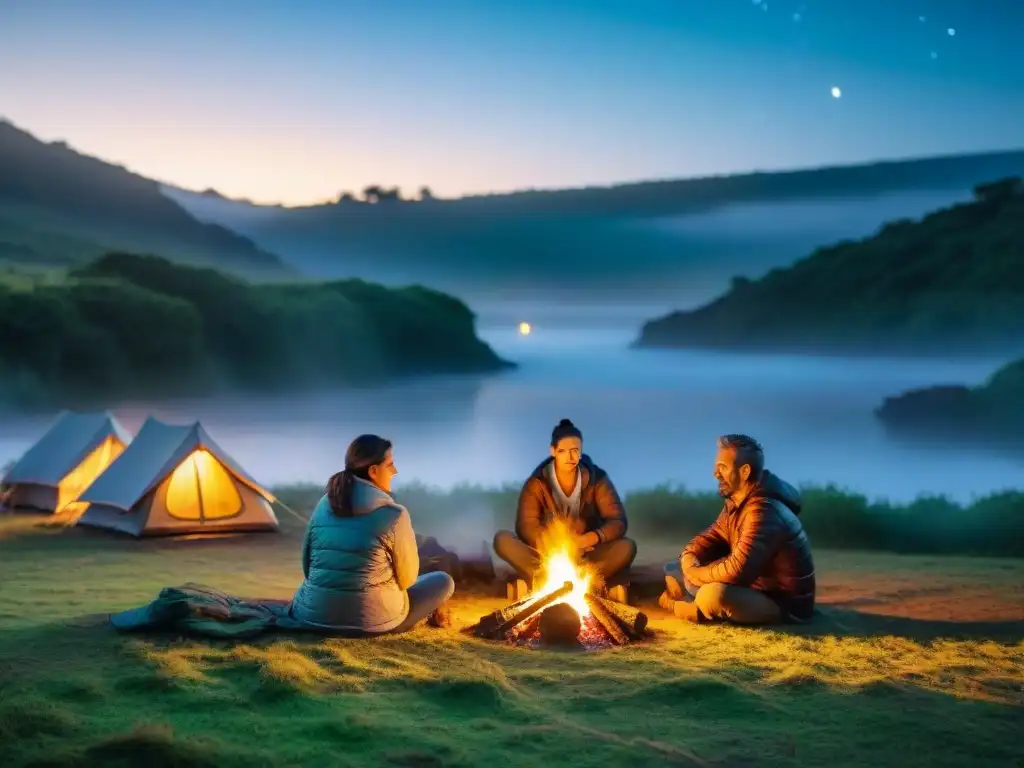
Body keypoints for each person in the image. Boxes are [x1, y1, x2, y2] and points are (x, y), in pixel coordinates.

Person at [290, 434, 455, 634]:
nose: (395, 471)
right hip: (370, 623)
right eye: (390, 465)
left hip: (312, 616)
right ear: (374, 471)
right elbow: (407, 581)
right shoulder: (395, 515)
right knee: (443, 581)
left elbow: (307, 568)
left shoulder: (324, 504)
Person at [661, 434, 815, 625]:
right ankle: (690, 595)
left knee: (713, 595)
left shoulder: (763, 511)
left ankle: (688, 605)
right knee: (677, 565)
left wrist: (695, 573)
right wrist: (690, 556)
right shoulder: (737, 501)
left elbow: (737, 570)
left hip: (781, 603)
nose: (715, 474)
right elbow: (712, 537)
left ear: (744, 472)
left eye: (722, 468)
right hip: (751, 587)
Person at [493, 418, 637, 588]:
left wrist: (590, 538)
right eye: (563, 451)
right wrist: (552, 542)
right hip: (548, 554)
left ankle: (586, 580)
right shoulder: (537, 482)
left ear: (581, 451)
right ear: (553, 451)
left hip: (586, 554)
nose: (570, 457)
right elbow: (526, 524)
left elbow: (617, 521)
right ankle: (545, 578)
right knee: (502, 540)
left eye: (575, 451)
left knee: (627, 547)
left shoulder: (597, 479)